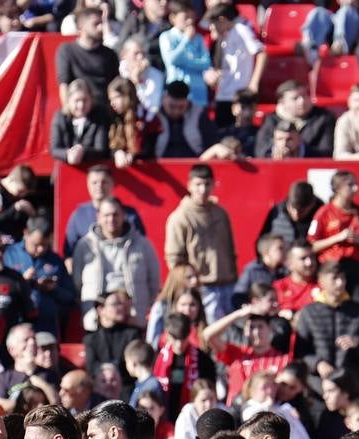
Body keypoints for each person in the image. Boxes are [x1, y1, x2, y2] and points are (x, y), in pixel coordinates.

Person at [73, 197, 161, 328]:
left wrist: (145, 307)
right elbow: (76, 283)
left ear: (124, 216)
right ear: (98, 216)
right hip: (97, 322)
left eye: (115, 214)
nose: (111, 219)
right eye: (106, 215)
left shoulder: (143, 244)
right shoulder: (84, 246)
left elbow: (154, 281)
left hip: (133, 319)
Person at [164, 165, 237, 323]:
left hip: (228, 285)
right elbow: (174, 260)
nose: (203, 190)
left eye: (207, 184)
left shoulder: (221, 213)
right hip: (201, 288)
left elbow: (231, 250)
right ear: (189, 185)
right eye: (198, 184)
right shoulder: (180, 218)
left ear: (213, 185)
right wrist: (189, 288)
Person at [294, 261, 359, 381]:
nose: (340, 283)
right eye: (334, 278)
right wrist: (317, 364)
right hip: (318, 380)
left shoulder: (357, 310)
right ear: (321, 280)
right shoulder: (309, 312)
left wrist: (357, 342)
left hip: (350, 378)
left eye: (342, 278)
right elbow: (301, 351)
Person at [307, 171, 359, 295]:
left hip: (357, 269)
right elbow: (312, 245)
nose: (356, 188)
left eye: (356, 184)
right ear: (337, 188)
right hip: (332, 267)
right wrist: (337, 238)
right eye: (350, 185)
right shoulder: (324, 213)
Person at [62, 165, 145, 259]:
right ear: (87, 184)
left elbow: (142, 247)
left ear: (112, 183)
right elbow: (69, 253)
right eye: (94, 183)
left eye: (104, 182)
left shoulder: (129, 214)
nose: (99, 186)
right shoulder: (79, 215)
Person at [254, 80, 336, 159]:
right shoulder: (271, 120)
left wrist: (300, 150)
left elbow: (326, 152)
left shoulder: (324, 118)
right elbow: (261, 151)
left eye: (305, 95)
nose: (302, 101)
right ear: (282, 102)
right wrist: (276, 152)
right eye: (295, 98)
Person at [55, 7, 120, 106]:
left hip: (105, 112)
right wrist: (69, 114)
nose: (101, 27)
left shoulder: (110, 54)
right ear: (81, 26)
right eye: (96, 24)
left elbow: (116, 86)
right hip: (80, 108)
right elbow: (64, 85)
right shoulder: (67, 51)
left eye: (101, 23)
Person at [85, 290, 143, 392]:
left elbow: (136, 364)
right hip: (100, 390)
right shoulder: (91, 339)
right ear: (100, 310)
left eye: (121, 304)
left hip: (127, 388)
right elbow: (91, 367)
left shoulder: (133, 334)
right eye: (115, 304)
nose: (121, 307)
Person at [159, 0, 214, 108]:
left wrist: (185, 61)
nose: (189, 21)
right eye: (185, 18)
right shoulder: (166, 37)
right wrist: (186, 40)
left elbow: (206, 63)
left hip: (198, 93)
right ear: (173, 18)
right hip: (177, 93)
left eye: (192, 18)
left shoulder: (199, 39)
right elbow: (171, 60)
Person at [51, 78, 110, 166]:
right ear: (69, 100)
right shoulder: (60, 117)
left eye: (85, 100)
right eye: (77, 100)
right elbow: (55, 149)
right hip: (65, 170)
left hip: (92, 169)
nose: (81, 105)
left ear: (91, 99)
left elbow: (101, 149)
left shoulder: (99, 118)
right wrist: (68, 153)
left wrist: (83, 151)